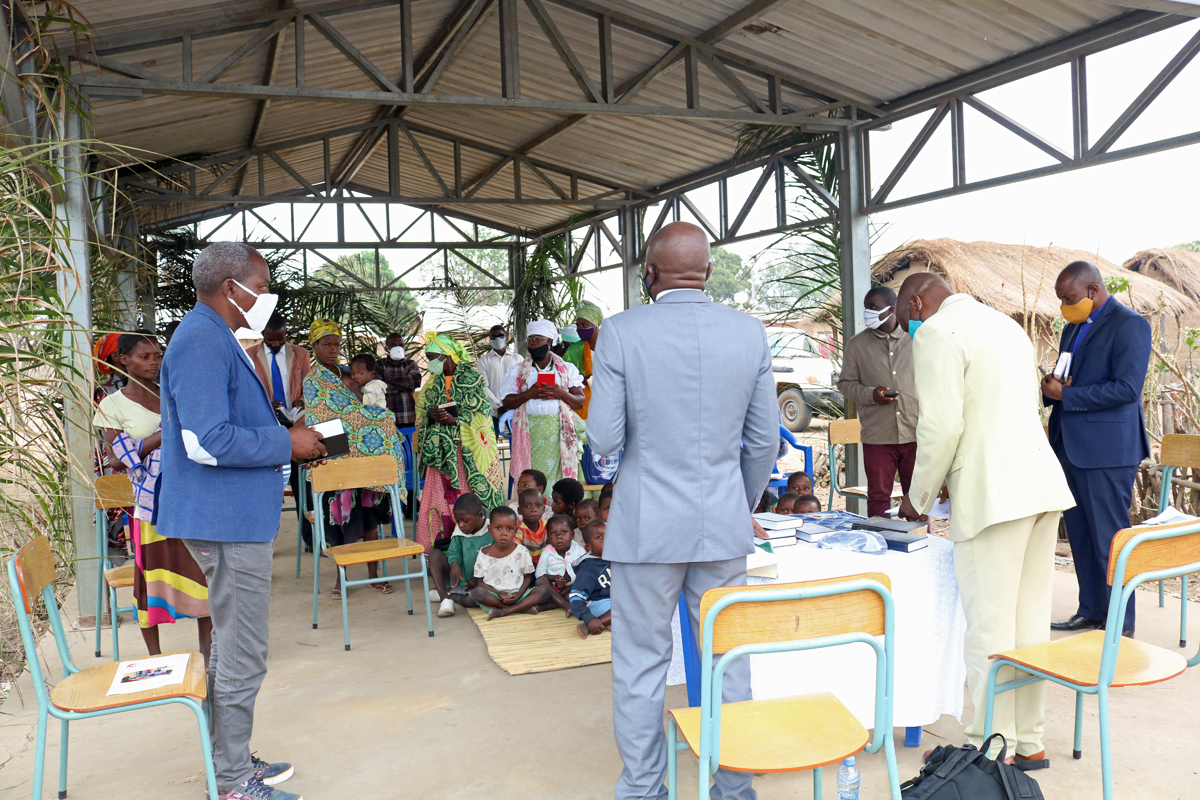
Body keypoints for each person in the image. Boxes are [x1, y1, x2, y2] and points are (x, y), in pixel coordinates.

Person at [588, 220, 777, 799]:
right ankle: (734, 787)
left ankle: (646, 789)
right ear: (709, 272)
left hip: (645, 528)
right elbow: (764, 442)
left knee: (642, 665)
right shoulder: (749, 333)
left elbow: (603, 438)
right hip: (721, 525)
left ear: (649, 273)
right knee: (729, 661)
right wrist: (734, 503)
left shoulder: (621, 332)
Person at [158, 241, 326, 800]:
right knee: (242, 648)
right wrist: (287, 440)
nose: (267, 294)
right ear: (233, 287)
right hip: (225, 519)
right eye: (263, 283)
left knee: (233, 644)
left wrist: (290, 435)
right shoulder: (202, 340)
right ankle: (230, 781)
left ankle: (227, 760)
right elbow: (206, 441)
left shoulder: (214, 335)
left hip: (231, 515)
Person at [895, 272, 1074, 767]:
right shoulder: (1006, 326)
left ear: (917, 302)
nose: (911, 326)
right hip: (1039, 487)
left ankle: (989, 746)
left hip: (993, 495)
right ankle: (1028, 740)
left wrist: (918, 498)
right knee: (1030, 626)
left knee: (989, 630)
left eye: (908, 318)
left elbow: (941, 424)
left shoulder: (935, 332)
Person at [1042, 261, 1151, 638]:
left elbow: (1126, 389)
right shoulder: (1073, 328)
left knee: (1110, 539)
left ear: (1092, 290)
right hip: (1070, 446)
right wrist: (1050, 385)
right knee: (1082, 536)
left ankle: (1121, 624)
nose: (1063, 307)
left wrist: (1067, 394)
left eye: (1068, 298)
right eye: (1060, 300)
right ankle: (1090, 611)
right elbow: (1066, 377)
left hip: (1107, 450)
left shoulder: (1130, 325)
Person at [94, 332, 212, 663]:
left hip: (190, 498)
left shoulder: (171, 395)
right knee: (150, 581)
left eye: (157, 356)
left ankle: (207, 652)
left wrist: (158, 438)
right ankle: (156, 657)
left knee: (201, 573)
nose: (153, 362)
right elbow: (116, 459)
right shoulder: (111, 405)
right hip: (150, 506)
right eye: (144, 356)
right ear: (123, 361)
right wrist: (163, 435)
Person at [304, 319, 406, 597]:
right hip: (336, 455)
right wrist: (373, 420)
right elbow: (321, 419)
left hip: (367, 455)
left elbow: (368, 405)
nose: (333, 349)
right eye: (326, 344)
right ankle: (341, 580)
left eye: (337, 345)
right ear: (314, 346)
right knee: (341, 519)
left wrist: (367, 414)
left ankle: (374, 575)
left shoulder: (350, 373)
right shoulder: (313, 381)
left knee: (370, 517)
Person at [415, 332, 506, 553]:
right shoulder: (432, 385)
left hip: (466, 453)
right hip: (440, 456)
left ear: (448, 356)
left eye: (434, 357)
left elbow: (483, 413)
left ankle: (474, 551)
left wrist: (458, 420)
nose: (430, 363)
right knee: (438, 500)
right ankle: (438, 551)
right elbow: (422, 416)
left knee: (465, 498)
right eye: (428, 358)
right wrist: (431, 415)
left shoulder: (472, 379)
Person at [837, 285, 919, 517]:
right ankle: (881, 543)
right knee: (878, 498)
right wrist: (871, 395)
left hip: (916, 433)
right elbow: (845, 384)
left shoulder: (916, 339)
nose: (867, 312)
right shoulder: (857, 344)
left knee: (917, 497)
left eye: (872, 307)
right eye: (866, 307)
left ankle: (920, 541)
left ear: (891, 309)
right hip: (878, 436)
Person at [500, 320, 586, 488]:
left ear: (549, 342)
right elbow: (507, 402)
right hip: (529, 432)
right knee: (533, 475)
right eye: (530, 339)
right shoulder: (518, 370)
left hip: (558, 433)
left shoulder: (566, 369)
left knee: (558, 479)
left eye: (538, 338)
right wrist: (529, 394)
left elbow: (579, 402)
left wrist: (560, 393)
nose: (533, 342)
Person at [469, 506, 541, 620]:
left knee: (544, 590)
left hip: (519, 595)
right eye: (498, 528)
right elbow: (480, 581)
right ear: (490, 529)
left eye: (509, 529)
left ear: (515, 531)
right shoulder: (484, 553)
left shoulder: (522, 551)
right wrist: (498, 593)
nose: (504, 533)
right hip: (496, 597)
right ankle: (515, 608)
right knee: (477, 593)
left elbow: (528, 577)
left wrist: (519, 594)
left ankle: (506, 611)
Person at [427, 493, 491, 618]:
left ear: (479, 516)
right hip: (460, 580)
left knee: (474, 602)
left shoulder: (491, 531)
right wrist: (455, 564)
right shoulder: (460, 530)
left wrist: (479, 579)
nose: (461, 525)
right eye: (457, 521)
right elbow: (454, 552)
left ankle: (449, 595)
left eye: (465, 521)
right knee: (434, 554)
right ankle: (444, 599)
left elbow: (496, 560)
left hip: (482, 584)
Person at [247, 313, 310, 423]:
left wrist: (302, 401)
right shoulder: (249, 355)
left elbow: (309, 387)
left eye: (281, 339)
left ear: (286, 333)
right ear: (263, 334)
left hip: (296, 420)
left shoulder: (301, 354)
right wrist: (265, 405)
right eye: (270, 340)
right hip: (264, 420)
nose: (276, 344)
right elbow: (246, 391)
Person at [569, 520, 612, 639]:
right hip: (597, 602)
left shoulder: (615, 558)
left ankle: (610, 623)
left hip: (614, 601)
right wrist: (588, 617)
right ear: (589, 547)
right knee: (624, 608)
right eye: (599, 537)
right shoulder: (588, 568)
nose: (606, 540)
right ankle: (590, 625)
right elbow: (576, 597)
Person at [475, 323, 520, 435]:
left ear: (506, 338)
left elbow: (521, 383)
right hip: (493, 411)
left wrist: (510, 405)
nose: (497, 339)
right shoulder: (484, 361)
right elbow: (483, 386)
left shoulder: (517, 358)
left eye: (500, 336)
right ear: (489, 340)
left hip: (515, 410)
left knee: (517, 444)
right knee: (490, 445)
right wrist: (499, 405)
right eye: (493, 337)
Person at [535, 515, 587, 611]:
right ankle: (565, 605)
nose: (559, 536)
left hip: (571, 588)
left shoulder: (579, 551)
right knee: (540, 581)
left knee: (575, 593)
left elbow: (585, 574)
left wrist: (568, 585)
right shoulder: (547, 552)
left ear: (572, 535)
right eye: (554, 533)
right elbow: (539, 574)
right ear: (548, 537)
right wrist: (554, 578)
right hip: (551, 589)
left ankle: (544, 606)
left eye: (564, 532)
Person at [563, 300, 604, 419]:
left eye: (584, 325)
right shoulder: (573, 350)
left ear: (594, 324)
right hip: (583, 402)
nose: (580, 329)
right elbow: (565, 377)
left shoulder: (611, 346)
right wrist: (582, 379)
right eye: (578, 326)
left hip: (610, 399)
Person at [375, 332, 422, 428]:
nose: (398, 347)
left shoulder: (411, 364)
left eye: (401, 345)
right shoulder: (379, 364)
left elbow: (416, 381)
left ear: (404, 347)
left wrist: (388, 381)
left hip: (408, 416)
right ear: (386, 348)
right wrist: (404, 385)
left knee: (408, 442)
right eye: (393, 345)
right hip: (386, 417)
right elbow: (377, 387)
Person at [516, 487, 550, 564]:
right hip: (526, 567)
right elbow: (518, 553)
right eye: (527, 506)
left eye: (538, 505)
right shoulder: (518, 529)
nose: (533, 509)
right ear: (519, 510)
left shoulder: (548, 526)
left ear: (543, 508)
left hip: (546, 565)